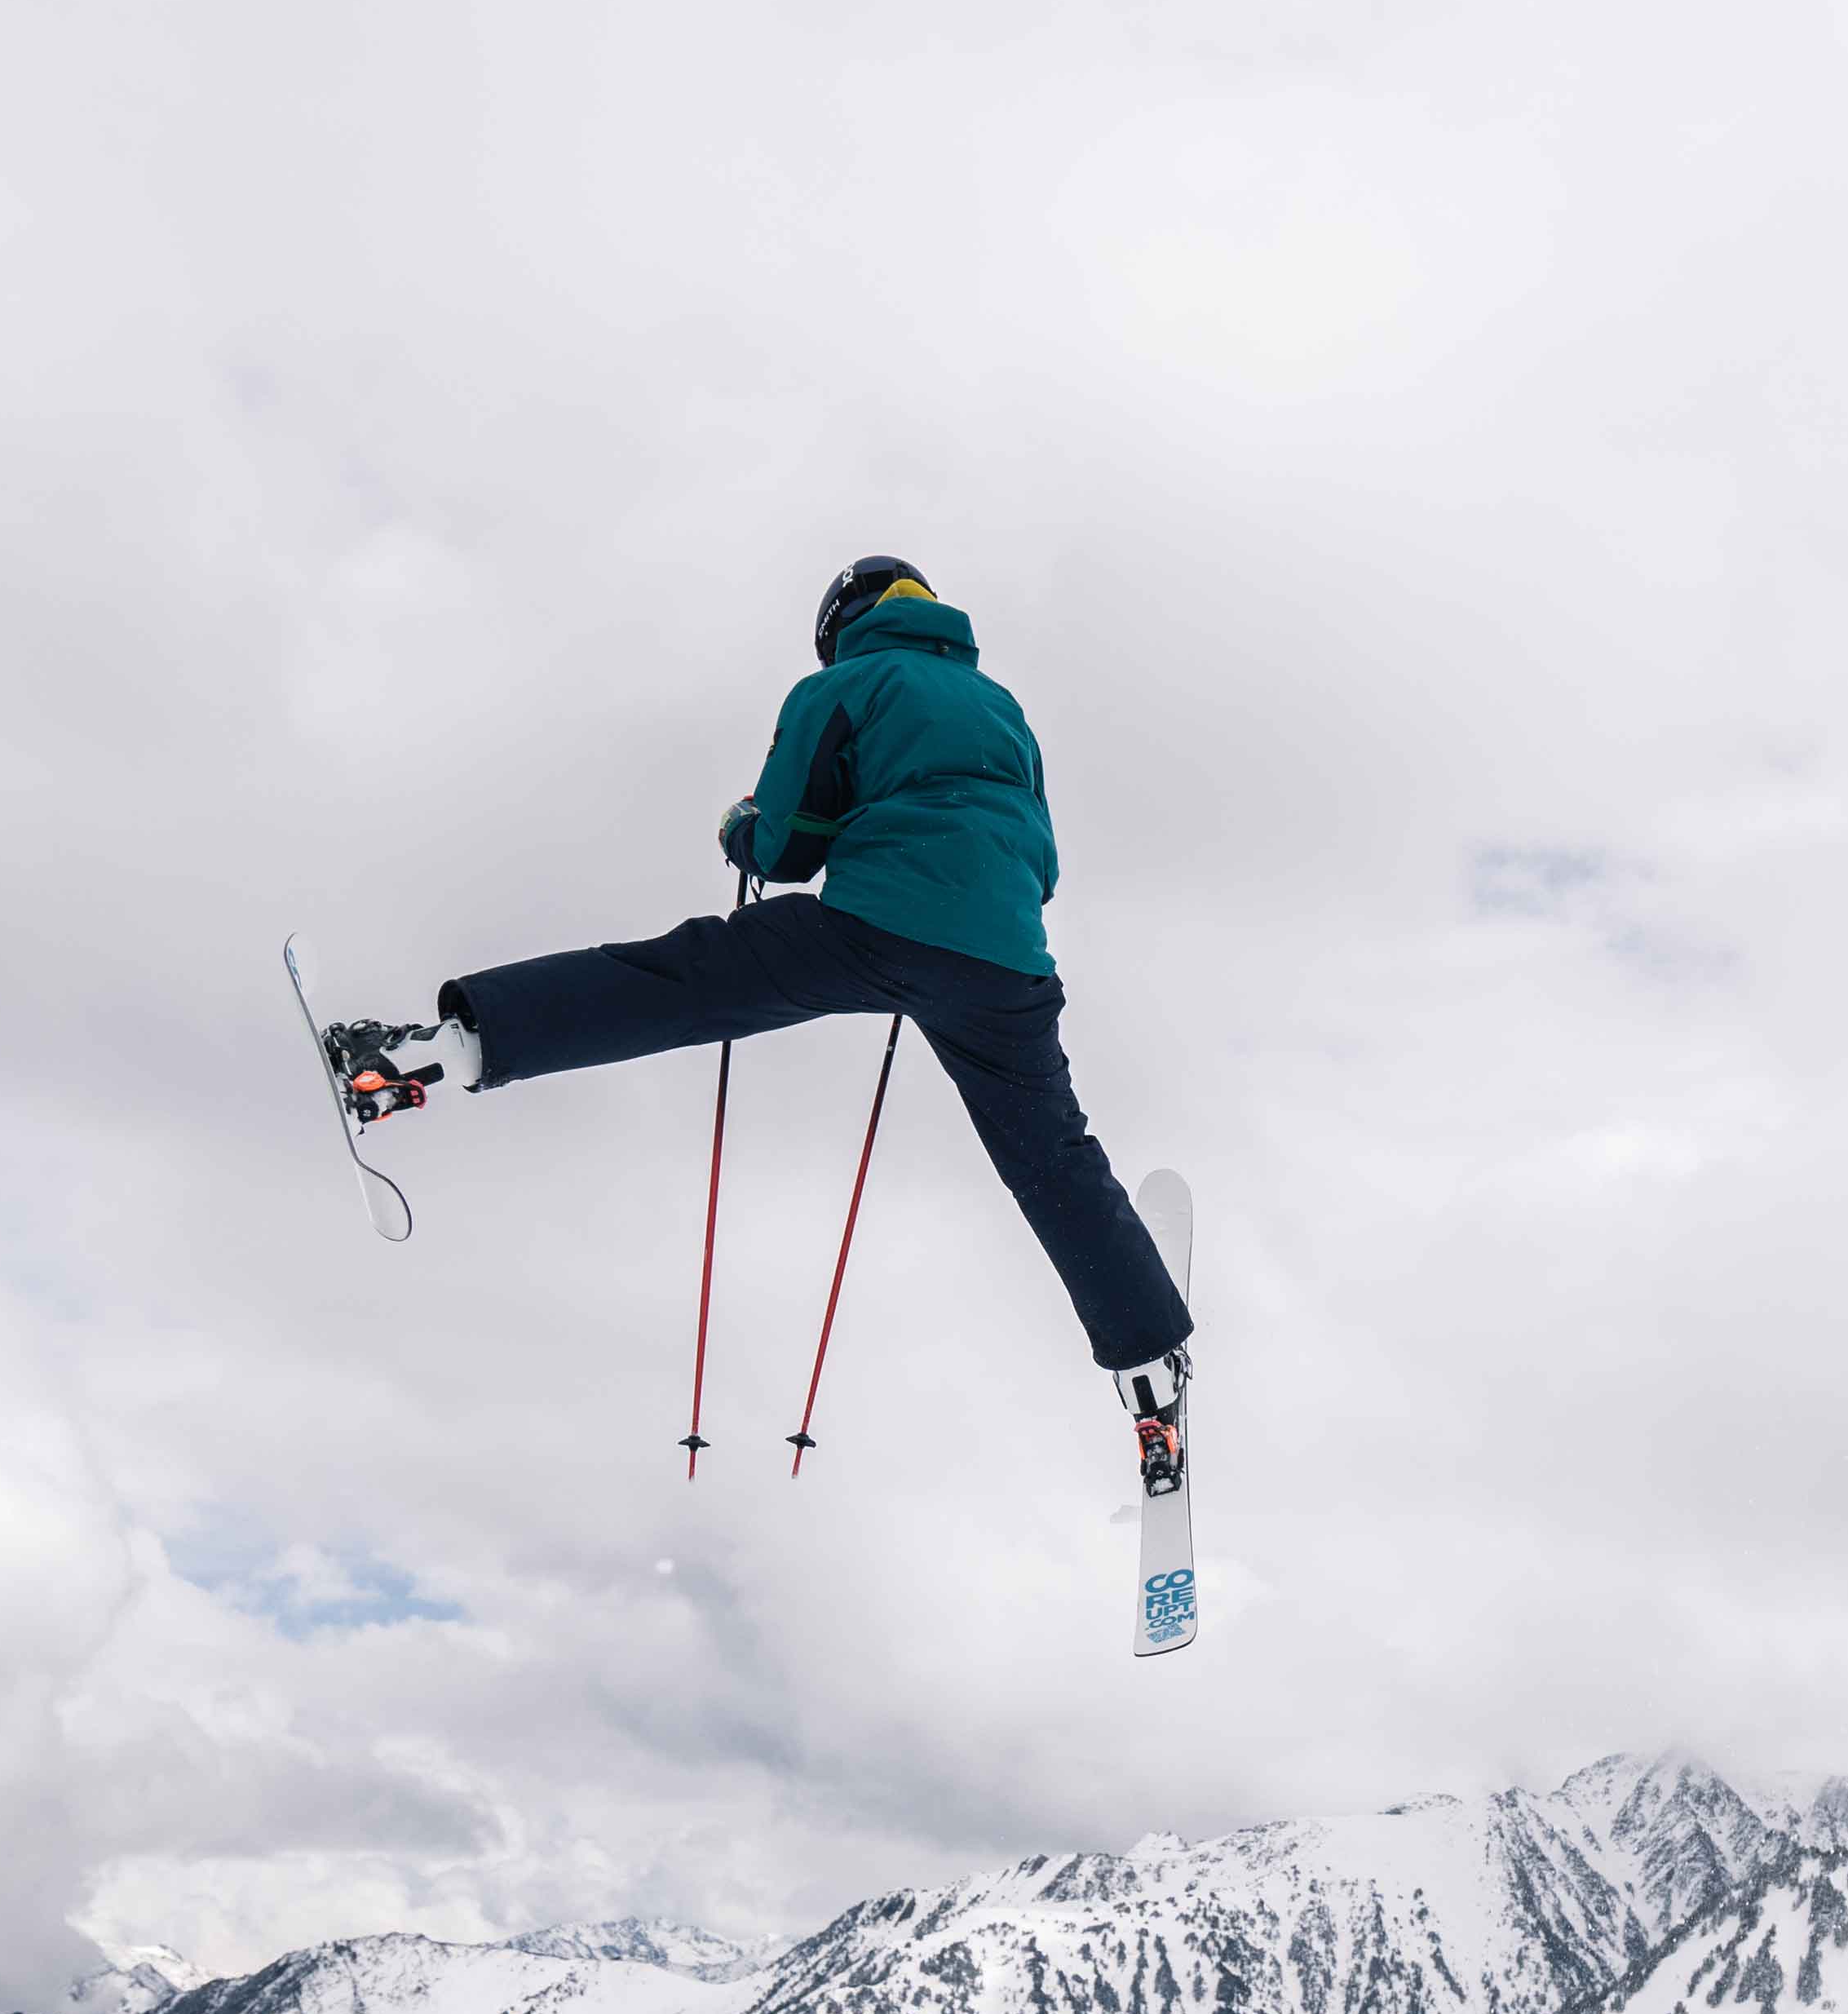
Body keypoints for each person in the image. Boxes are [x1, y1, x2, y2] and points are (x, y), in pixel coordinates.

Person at [314, 556, 1195, 1484]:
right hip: (1006, 961)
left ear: (840, 622)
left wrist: (740, 826)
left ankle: (425, 1058)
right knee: (1051, 1157)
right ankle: (1150, 1370)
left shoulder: (846, 684)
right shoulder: (1004, 707)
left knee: (678, 982)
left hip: (875, 926)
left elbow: (783, 846)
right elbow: (1042, 858)